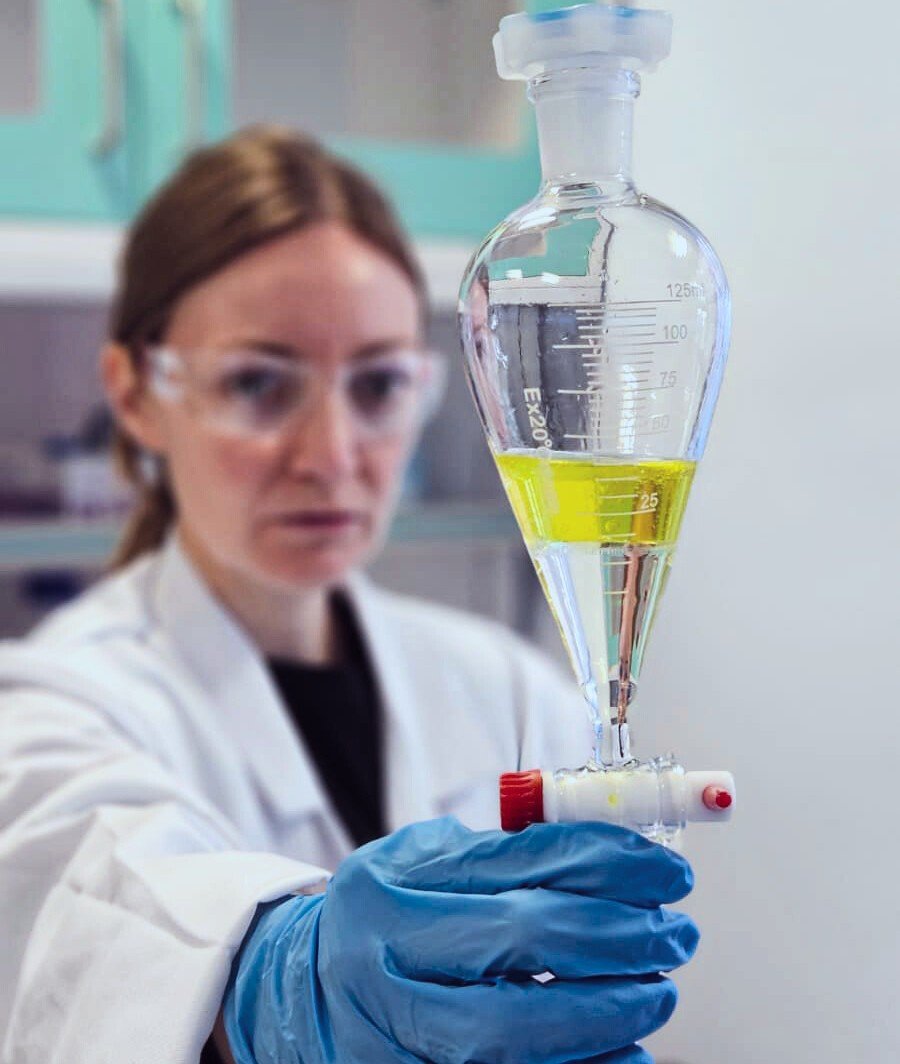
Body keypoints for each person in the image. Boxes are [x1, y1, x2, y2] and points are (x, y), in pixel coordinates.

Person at [0, 127, 698, 1063]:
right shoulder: (53, 705)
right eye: (258, 383)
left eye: (376, 385)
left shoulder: (509, 690)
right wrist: (274, 980)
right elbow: (78, 901)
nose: (331, 456)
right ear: (134, 395)